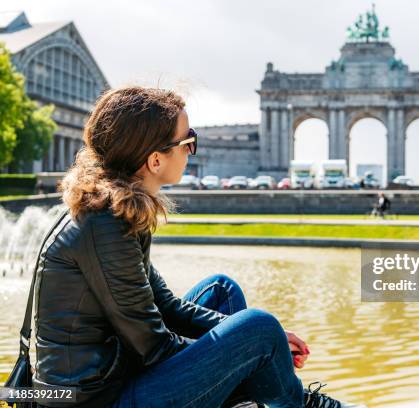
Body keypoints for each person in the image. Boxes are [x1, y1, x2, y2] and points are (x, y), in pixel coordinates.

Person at [33, 86, 358, 408]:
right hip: (98, 400)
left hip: (115, 378)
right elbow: (154, 348)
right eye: (188, 141)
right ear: (156, 160)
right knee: (259, 328)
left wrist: (244, 351)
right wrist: (246, 357)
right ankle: (299, 404)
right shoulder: (105, 225)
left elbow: (167, 307)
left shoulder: (112, 211)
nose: (192, 150)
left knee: (222, 291)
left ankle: (263, 389)